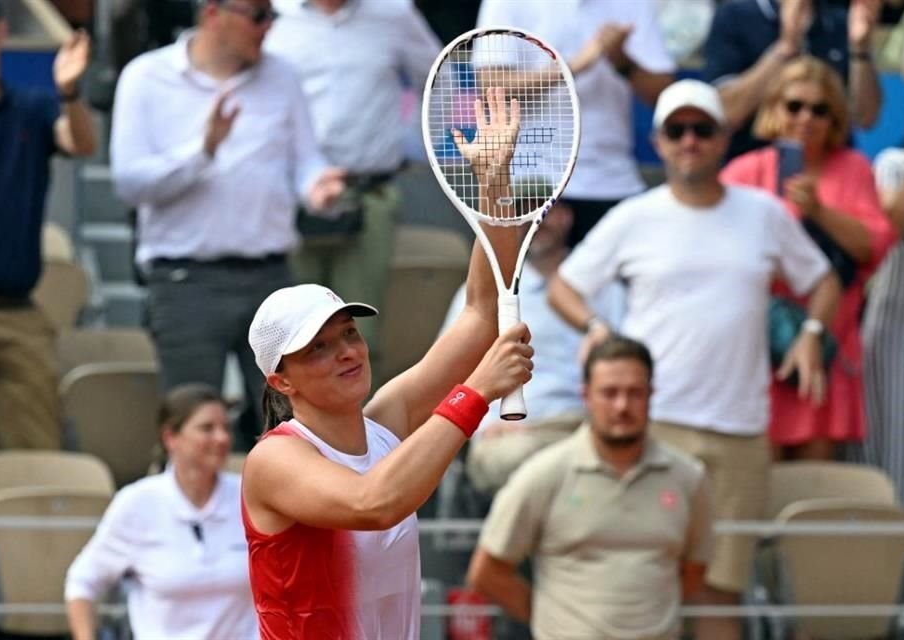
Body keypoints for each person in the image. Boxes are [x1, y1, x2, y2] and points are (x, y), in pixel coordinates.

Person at [547, 79, 841, 640]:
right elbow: (565, 285)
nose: (689, 141)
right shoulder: (635, 215)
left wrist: (811, 330)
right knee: (645, 581)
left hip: (740, 431)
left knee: (719, 591)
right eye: (677, 130)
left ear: (723, 138)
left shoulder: (764, 213)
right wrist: (596, 326)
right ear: (658, 141)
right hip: (653, 429)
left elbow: (822, 281)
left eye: (702, 129)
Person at [240, 87, 534, 638]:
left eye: (348, 333)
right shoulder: (273, 461)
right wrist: (476, 392)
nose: (347, 351)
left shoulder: (385, 424)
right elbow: (375, 502)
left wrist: (494, 189)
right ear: (280, 379)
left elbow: (481, 311)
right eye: (319, 348)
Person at [110, 0, 346, 445]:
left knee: (290, 425)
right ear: (214, 13)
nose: (267, 29)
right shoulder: (146, 76)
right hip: (186, 281)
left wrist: (319, 188)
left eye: (271, 16)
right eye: (257, 16)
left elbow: (306, 161)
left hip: (271, 276)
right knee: (191, 423)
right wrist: (203, 153)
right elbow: (129, 183)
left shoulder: (283, 76)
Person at [467, 335, 713, 640]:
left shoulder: (689, 478)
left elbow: (694, 570)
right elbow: (487, 572)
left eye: (634, 393)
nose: (622, 406)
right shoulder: (544, 475)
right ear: (586, 396)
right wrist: (549, 619)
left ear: (651, 395)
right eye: (609, 393)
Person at [720, 56, 894, 460]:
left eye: (820, 109)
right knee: (755, 484)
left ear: (835, 119)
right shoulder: (744, 171)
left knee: (815, 489)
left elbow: (874, 246)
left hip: (825, 347)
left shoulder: (853, 169)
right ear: (774, 109)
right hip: (756, 349)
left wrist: (820, 211)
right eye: (794, 105)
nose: (806, 118)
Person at [264, 0, 441, 377]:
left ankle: (354, 434)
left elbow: (439, 79)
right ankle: (288, 436)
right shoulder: (272, 15)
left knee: (358, 336)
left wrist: (422, 147)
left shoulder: (395, 14)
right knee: (285, 341)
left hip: (367, 193)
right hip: (287, 197)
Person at [0, 0, 95, 451]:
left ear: (1, 30)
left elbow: (81, 143)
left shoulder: (30, 106)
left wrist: (71, 91)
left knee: (37, 447)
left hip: (18, 308)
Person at [440, 195, 626, 495]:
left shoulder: (611, 291)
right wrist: (483, 424)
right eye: (522, 209)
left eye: (545, 208)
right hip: (513, 432)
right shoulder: (477, 294)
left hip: (591, 426)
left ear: (566, 216)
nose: (535, 219)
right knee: (526, 462)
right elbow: (447, 376)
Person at [474, 0, 675, 246]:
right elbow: (491, 87)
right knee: (527, 285)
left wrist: (623, 61)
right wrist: (572, 67)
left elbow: (666, 98)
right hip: (531, 186)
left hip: (613, 182)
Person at [65, 384, 257, 640]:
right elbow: (82, 580)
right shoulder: (136, 502)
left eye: (226, 428)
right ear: (170, 438)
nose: (222, 438)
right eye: (207, 428)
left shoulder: (249, 496)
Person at [703, 0, 882, 159]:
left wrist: (860, 48)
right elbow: (725, 113)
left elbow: (865, 118)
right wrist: (786, 46)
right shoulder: (734, 16)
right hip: (749, 167)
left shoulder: (839, 21)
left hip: (828, 170)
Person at [860, 105, 904, 549]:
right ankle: (893, 574)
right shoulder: (896, 165)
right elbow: (888, 228)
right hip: (897, 330)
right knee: (894, 458)